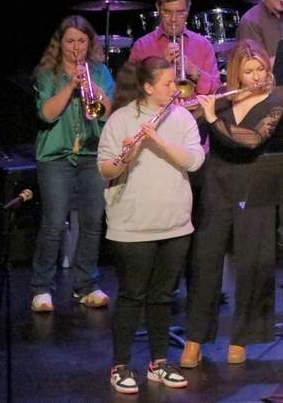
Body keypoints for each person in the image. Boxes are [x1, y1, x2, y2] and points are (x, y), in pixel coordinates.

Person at [98, 56, 205, 393]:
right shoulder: (120, 119)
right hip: (132, 224)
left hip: (174, 223)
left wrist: (158, 141)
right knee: (132, 295)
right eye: (168, 84)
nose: (175, 88)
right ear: (147, 88)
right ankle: (120, 365)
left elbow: (195, 159)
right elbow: (106, 169)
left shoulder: (183, 117)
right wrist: (128, 154)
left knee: (163, 296)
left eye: (175, 83)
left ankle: (158, 362)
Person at [180, 39, 283, 367]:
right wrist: (191, 110)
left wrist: (212, 117)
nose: (255, 77)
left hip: (255, 185)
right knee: (205, 262)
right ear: (235, 73)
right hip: (217, 185)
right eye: (248, 71)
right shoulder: (221, 101)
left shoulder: (273, 104)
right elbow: (192, 131)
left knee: (254, 262)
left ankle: (242, 338)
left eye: (260, 70)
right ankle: (195, 338)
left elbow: (251, 140)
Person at [30, 15, 113, 312]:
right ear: (60, 43)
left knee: (92, 224)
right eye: (70, 41)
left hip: (91, 154)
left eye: (81, 41)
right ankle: (42, 288)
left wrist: (96, 90)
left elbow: (106, 114)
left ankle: (86, 286)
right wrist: (70, 87)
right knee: (53, 224)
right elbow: (47, 114)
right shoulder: (46, 75)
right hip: (55, 156)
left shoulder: (100, 71)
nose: (75, 47)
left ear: (89, 43)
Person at [129, 0, 221, 98]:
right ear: (158, 8)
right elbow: (130, 92)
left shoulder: (203, 45)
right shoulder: (141, 46)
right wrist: (162, 66)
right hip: (156, 114)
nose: (173, 19)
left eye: (180, 12)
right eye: (167, 12)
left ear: (188, 8)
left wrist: (194, 71)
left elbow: (217, 91)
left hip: (195, 115)